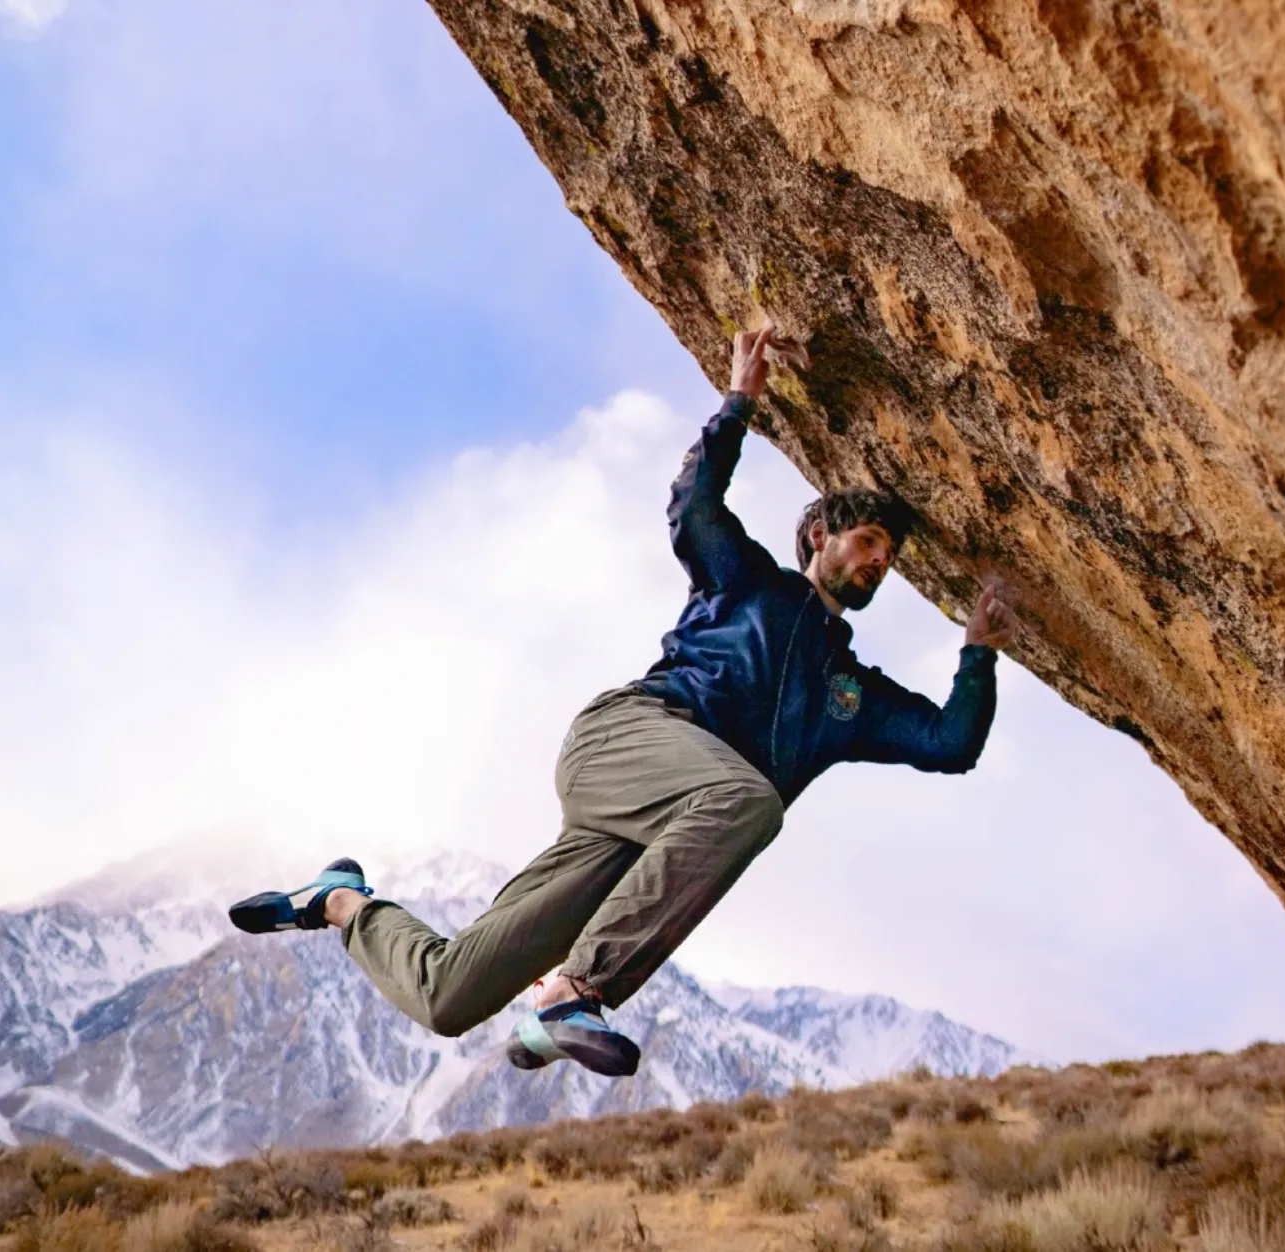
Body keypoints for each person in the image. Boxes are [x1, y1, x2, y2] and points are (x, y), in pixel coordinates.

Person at [228, 326, 1023, 1077]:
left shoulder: (853, 696)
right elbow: (693, 506)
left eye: (887, 557)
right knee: (747, 801)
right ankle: (575, 998)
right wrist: (737, 405)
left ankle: (336, 900)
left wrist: (978, 652)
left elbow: (950, 742)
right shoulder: (746, 583)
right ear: (818, 537)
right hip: (629, 738)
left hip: (653, 831)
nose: (877, 562)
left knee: (449, 996)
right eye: (865, 543)